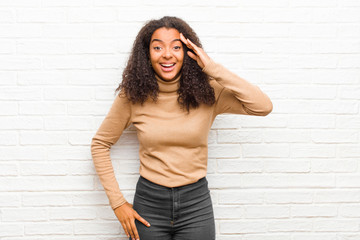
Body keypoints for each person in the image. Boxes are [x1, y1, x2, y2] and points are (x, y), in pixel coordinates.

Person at [91, 16, 273, 240]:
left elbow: (262, 106)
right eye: (157, 47)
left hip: (196, 205)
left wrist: (212, 67)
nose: (167, 54)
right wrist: (118, 203)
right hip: (149, 204)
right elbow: (100, 144)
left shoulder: (208, 93)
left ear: (188, 52)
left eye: (176, 47)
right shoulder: (133, 96)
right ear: (147, 54)